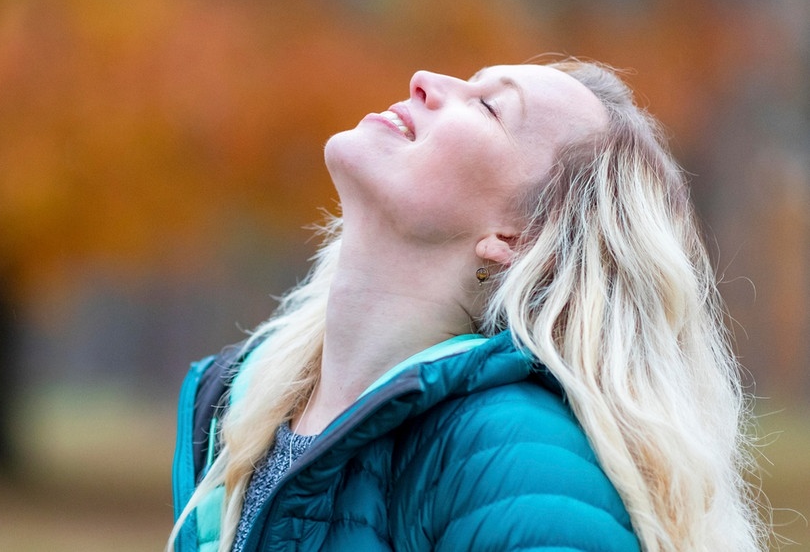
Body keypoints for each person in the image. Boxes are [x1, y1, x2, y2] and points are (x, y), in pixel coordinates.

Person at [168, 58, 767, 551]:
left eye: (487, 106)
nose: (423, 80)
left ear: (515, 238)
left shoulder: (523, 463)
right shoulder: (230, 409)